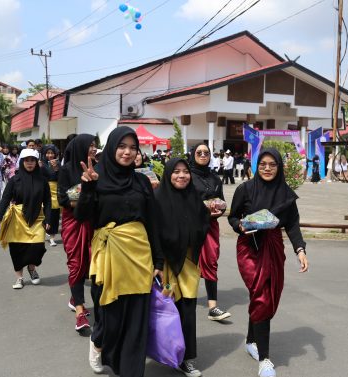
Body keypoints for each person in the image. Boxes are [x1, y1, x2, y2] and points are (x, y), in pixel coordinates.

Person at [75, 127, 163, 376]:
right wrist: (89, 189)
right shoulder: (96, 178)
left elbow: (153, 221)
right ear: (112, 148)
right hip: (109, 256)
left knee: (136, 320)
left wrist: (159, 259)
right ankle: (98, 341)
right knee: (109, 317)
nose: (127, 152)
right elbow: (82, 217)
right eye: (121, 146)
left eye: (132, 147)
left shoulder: (142, 181)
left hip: (139, 256)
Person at [228, 148, 309, 377]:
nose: (267, 168)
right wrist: (240, 225)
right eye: (263, 164)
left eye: (272, 164)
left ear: (279, 167)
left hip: (273, 246)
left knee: (265, 296)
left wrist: (300, 249)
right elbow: (233, 217)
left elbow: (292, 224)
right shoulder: (245, 189)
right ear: (256, 165)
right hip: (250, 247)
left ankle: (251, 340)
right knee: (261, 294)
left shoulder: (285, 193)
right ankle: (265, 360)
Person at [155, 157, 210, 377]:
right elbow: (153, 233)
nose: (181, 176)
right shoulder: (157, 199)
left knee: (187, 311)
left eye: (185, 171)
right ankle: (165, 352)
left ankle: (187, 358)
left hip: (187, 263)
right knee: (167, 311)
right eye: (176, 171)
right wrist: (158, 261)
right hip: (166, 264)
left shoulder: (194, 197)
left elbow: (203, 222)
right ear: (168, 174)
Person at [0, 149, 51, 289]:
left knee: (37, 246)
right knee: (17, 248)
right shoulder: (15, 180)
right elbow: (6, 198)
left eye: (32, 160)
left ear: (36, 162)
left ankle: (32, 269)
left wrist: (48, 219)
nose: (30, 163)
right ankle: (19, 278)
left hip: (37, 217)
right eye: (27, 160)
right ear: (22, 162)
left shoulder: (43, 181)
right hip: (18, 217)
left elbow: (48, 201)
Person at [58, 134, 97, 331]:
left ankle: (76, 297)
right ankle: (80, 311)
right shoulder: (66, 170)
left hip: (93, 222)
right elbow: (63, 200)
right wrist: (84, 197)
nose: (93, 148)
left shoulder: (98, 168)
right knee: (76, 263)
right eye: (90, 145)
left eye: (95, 145)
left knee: (91, 264)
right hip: (73, 222)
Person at [189, 143, 231, 322]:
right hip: (190, 225)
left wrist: (219, 209)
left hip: (210, 226)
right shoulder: (187, 175)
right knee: (187, 262)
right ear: (193, 154)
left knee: (211, 262)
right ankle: (178, 299)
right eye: (199, 152)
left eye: (206, 152)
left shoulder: (215, 177)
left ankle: (212, 307)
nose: (203, 155)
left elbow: (221, 200)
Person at [41, 144, 61, 247]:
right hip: (44, 191)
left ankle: (52, 237)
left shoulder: (58, 164)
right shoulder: (41, 164)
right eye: (48, 153)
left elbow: (61, 177)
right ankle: (42, 234)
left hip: (55, 191)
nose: (50, 155)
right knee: (43, 214)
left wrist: (56, 168)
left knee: (55, 215)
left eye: (52, 153)